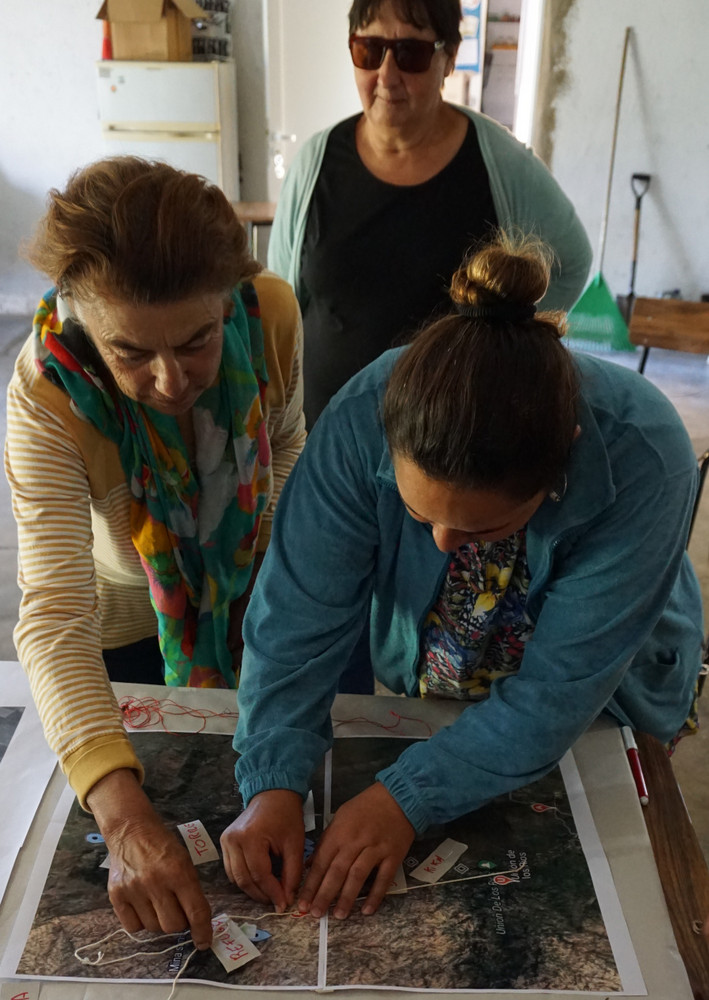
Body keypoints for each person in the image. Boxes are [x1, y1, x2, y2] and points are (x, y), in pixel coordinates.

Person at [221, 233, 704, 931]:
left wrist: (405, 797)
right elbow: (296, 618)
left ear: (560, 463)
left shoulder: (647, 455)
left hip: (608, 691)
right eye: (418, 517)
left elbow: (561, 687)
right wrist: (271, 778)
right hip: (449, 665)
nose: (443, 545)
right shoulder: (361, 415)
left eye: (483, 530)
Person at [4, 157, 306, 949]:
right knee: (151, 807)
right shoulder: (45, 396)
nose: (171, 382)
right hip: (128, 627)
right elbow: (55, 616)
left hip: (258, 599)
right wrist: (126, 822)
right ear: (81, 320)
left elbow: (285, 441)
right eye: (130, 352)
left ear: (230, 298)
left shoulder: (272, 312)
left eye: (198, 341)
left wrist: (268, 582)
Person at [268, 0, 593, 429]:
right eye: (369, 50)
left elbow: (571, 261)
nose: (386, 76)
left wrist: (506, 341)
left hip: (450, 442)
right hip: (328, 437)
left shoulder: (500, 165)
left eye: (411, 53)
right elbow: (283, 304)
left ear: (449, 58)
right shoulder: (316, 163)